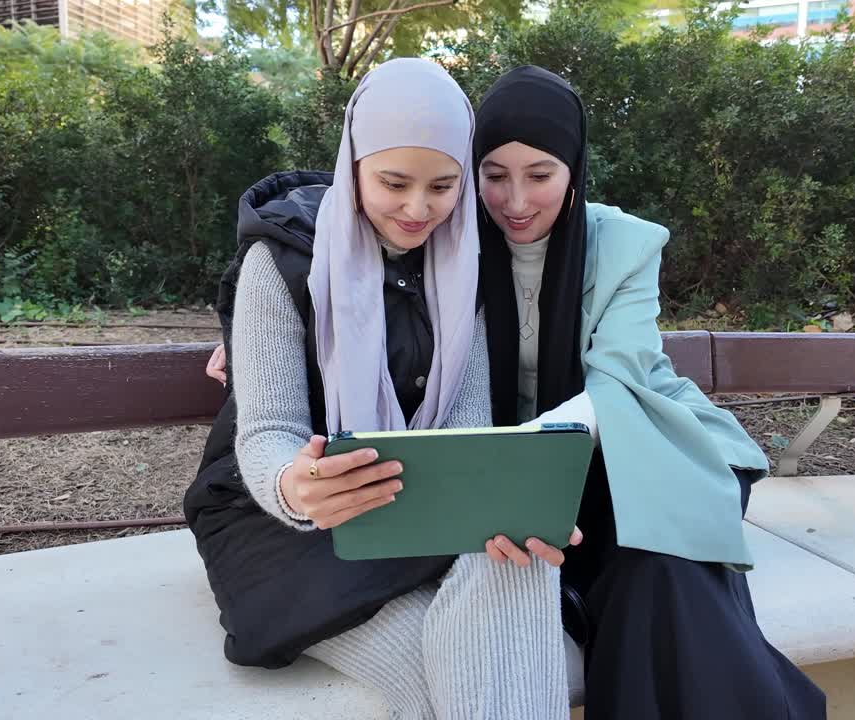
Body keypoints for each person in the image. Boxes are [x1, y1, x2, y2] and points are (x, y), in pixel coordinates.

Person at [183, 58, 576, 719]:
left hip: (418, 509)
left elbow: (466, 432)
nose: (419, 209)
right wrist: (294, 485)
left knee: (519, 561)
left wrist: (514, 509)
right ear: (354, 164)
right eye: (394, 182)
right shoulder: (280, 259)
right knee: (465, 674)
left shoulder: (470, 263)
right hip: (279, 522)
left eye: (444, 186)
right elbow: (269, 430)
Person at [472, 65, 827, 719]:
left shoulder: (626, 244)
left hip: (644, 445)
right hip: (528, 472)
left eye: (540, 175)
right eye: (494, 175)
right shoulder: (451, 244)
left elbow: (618, 377)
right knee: (646, 580)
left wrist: (526, 455)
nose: (515, 201)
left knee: (662, 565)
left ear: (574, 169)